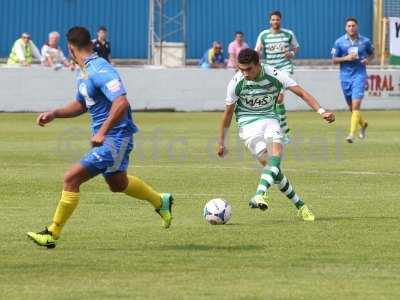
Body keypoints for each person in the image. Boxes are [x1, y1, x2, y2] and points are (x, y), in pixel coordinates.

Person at [27, 26, 173, 249]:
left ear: (70, 48)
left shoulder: (100, 69)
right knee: (117, 184)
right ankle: (159, 200)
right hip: (110, 137)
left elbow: (121, 102)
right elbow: (81, 104)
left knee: (71, 178)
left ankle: (52, 232)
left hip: (115, 137)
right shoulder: (83, 72)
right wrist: (55, 113)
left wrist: (103, 131)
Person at [217, 49, 335, 221]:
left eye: (248, 69)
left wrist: (321, 111)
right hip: (248, 126)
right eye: (241, 69)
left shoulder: (275, 75)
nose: (244, 73)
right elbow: (227, 114)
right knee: (273, 170)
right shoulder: (235, 83)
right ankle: (300, 206)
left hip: (270, 119)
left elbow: (301, 92)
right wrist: (221, 142)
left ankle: (260, 194)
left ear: (258, 65)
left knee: (275, 158)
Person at [255, 10, 299, 143]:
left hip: (285, 68)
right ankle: (284, 131)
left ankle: (284, 133)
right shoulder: (264, 35)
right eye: (273, 20)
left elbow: (296, 47)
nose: (275, 22)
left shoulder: (288, 34)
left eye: (277, 19)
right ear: (270, 21)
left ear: (281, 20)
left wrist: (291, 53)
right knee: (274, 102)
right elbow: (257, 50)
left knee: (279, 98)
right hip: (270, 70)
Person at [332, 17, 374, 143]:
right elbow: (334, 60)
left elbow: (372, 54)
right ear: (346, 28)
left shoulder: (365, 41)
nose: (351, 28)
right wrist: (346, 58)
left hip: (359, 75)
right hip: (345, 77)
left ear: (357, 27)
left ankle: (351, 134)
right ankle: (363, 124)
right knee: (352, 109)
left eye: (353, 25)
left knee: (356, 106)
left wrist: (368, 60)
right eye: (349, 26)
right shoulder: (339, 42)